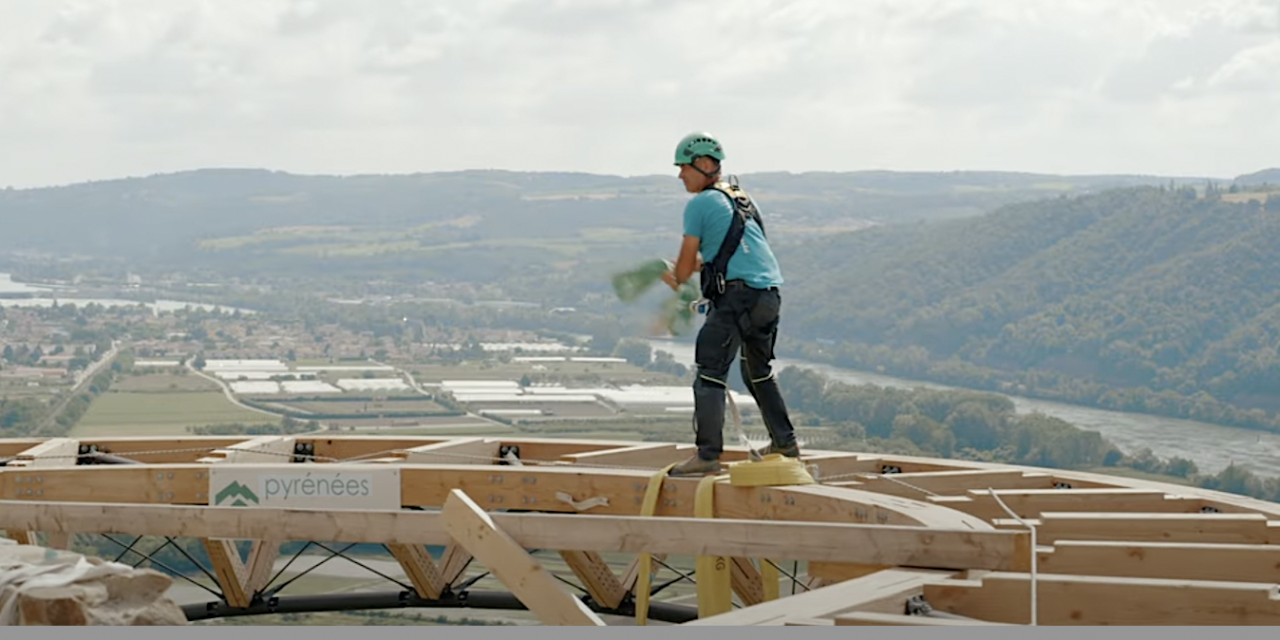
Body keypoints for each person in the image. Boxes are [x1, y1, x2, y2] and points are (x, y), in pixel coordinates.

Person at [661, 131, 801, 476]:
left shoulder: (700, 204)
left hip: (737, 298)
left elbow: (684, 267)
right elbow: (720, 256)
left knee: (709, 374)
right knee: (758, 372)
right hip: (767, 295)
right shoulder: (741, 199)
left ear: (704, 165)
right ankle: (786, 445)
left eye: (684, 168)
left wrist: (672, 276)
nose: (680, 175)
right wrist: (684, 271)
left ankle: (707, 457)